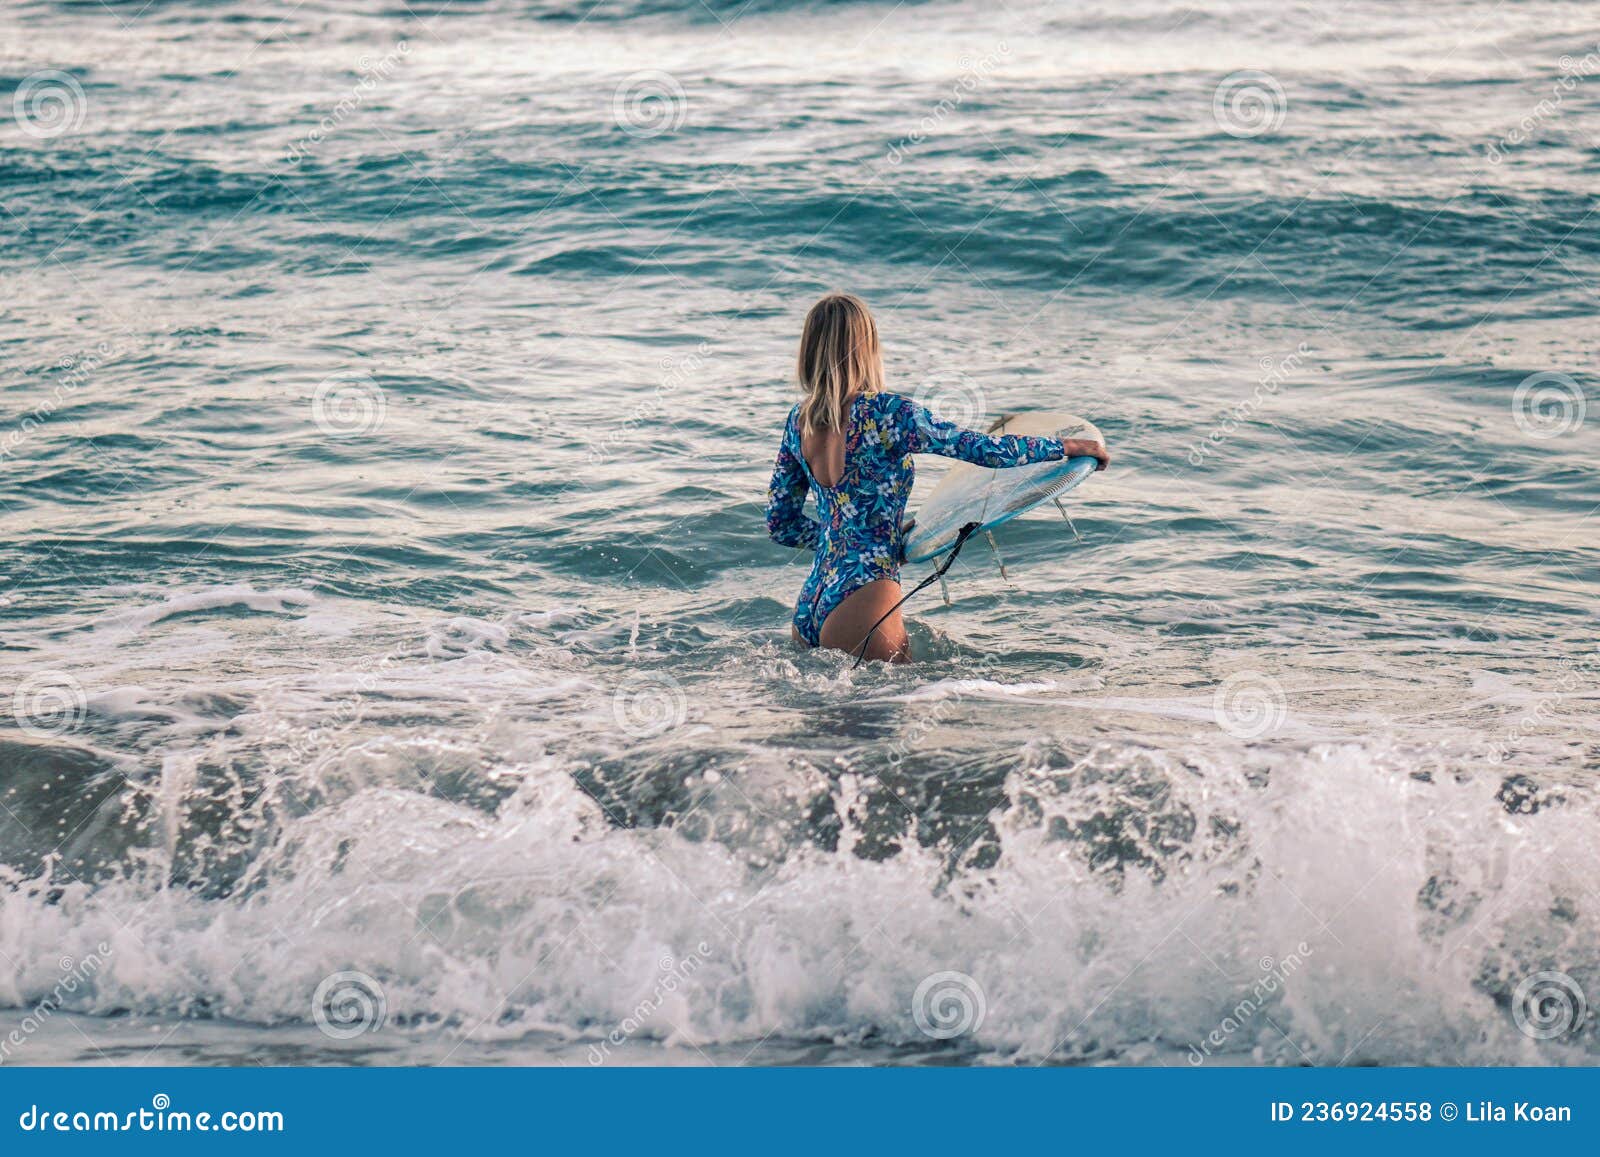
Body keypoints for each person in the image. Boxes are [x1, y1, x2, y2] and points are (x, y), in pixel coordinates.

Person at [765, 293, 1110, 663]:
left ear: (810, 350)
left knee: (825, 717)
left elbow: (780, 524)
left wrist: (854, 541)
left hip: (813, 599)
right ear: (867, 347)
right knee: (891, 713)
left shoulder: (798, 421)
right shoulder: (889, 413)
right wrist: (1065, 446)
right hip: (863, 593)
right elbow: (984, 450)